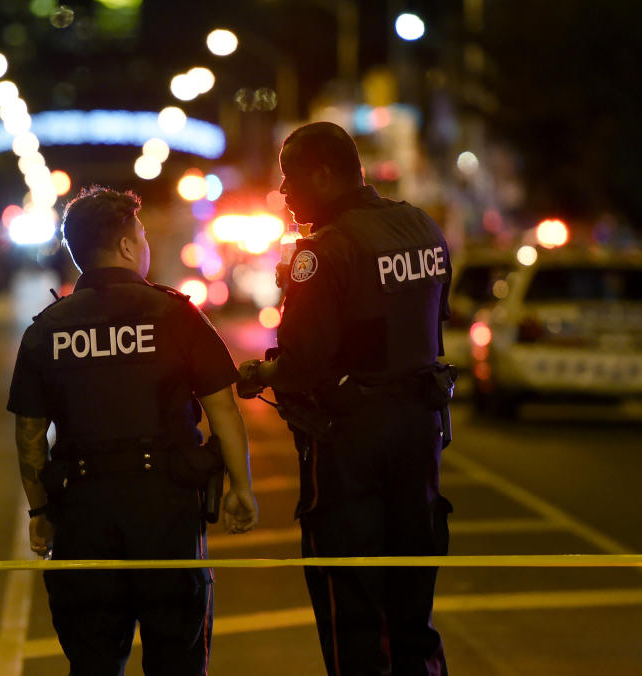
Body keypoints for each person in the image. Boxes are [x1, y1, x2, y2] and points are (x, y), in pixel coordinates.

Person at [7, 186, 258, 676]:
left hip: (82, 516)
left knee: (95, 661)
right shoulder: (175, 314)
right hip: (164, 511)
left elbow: (30, 436)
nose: (145, 243)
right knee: (177, 658)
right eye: (140, 235)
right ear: (125, 247)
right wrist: (241, 487)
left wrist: (39, 511)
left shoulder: (47, 328)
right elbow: (222, 410)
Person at [237, 122, 454, 676]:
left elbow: (306, 360)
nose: (284, 194)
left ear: (325, 175)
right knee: (413, 600)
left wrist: (262, 371)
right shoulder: (421, 227)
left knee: (351, 600)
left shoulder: (325, 250)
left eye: (289, 181)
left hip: (352, 440)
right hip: (421, 432)